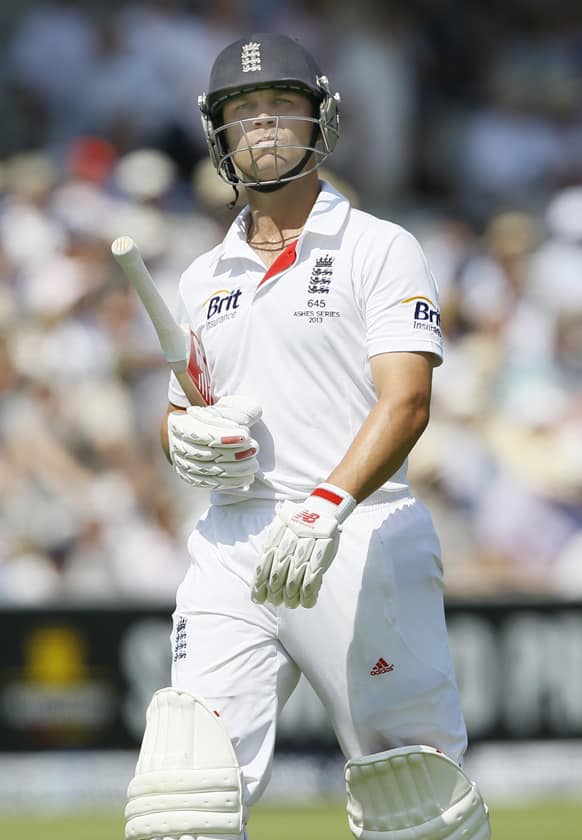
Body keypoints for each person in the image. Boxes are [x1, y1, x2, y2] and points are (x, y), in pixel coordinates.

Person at [124, 33, 491, 840]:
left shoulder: (380, 247)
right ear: (218, 135)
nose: (261, 125)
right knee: (181, 799)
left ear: (317, 118)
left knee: (415, 804)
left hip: (355, 531)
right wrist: (182, 438)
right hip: (231, 542)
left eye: (279, 106)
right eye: (242, 112)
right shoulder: (200, 277)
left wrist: (327, 505)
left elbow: (407, 403)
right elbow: (185, 408)